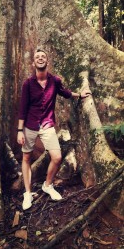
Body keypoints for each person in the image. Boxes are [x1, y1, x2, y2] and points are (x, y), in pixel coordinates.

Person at [17, 49, 91, 210]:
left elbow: (65, 93)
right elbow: (22, 109)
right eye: (37, 57)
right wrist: (19, 131)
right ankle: (28, 193)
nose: (40, 58)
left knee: (56, 157)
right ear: (33, 63)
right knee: (26, 158)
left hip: (47, 125)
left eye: (43, 56)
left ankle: (47, 185)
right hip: (29, 125)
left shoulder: (54, 81)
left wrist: (80, 94)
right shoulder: (28, 84)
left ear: (47, 62)